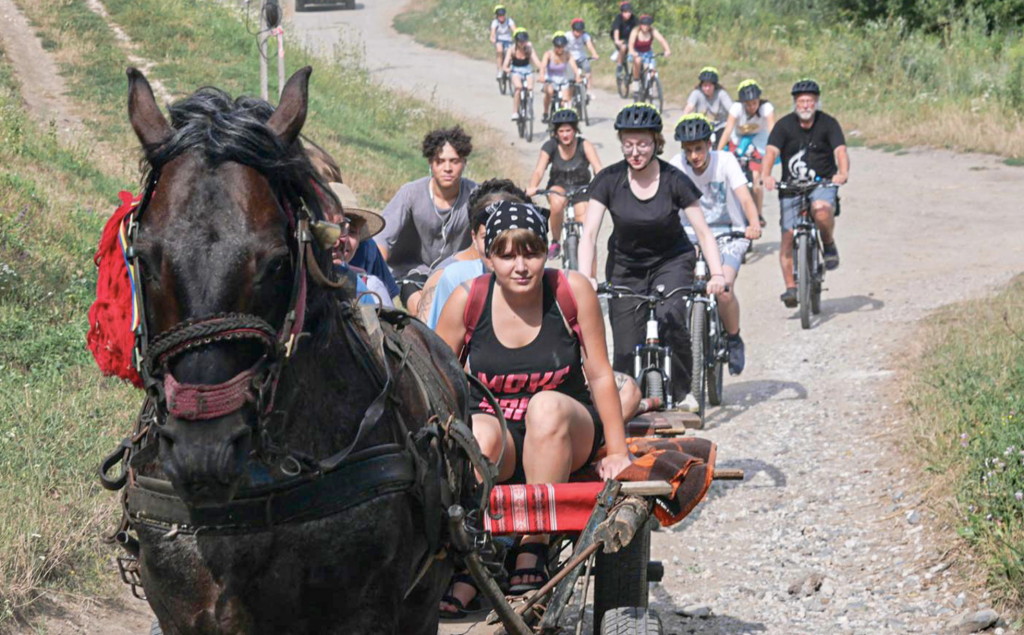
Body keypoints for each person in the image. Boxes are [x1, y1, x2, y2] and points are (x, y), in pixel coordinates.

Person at [436, 200, 631, 615]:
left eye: (531, 252)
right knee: (479, 434)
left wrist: (617, 450)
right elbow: (434, 377)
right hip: (499, 436)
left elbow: (599, 374)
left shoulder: (571, 292)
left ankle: (534, 544)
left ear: (547, 251)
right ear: (488, 257)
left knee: (543, 408)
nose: (520, 266)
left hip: (565, 428)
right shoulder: (467, 301)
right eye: (506, 254)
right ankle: (476, 555)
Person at [579, 103, 726, 413]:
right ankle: (625, 405)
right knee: (623, 344)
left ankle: (683, 391)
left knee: (672, 319)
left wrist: (717, 274)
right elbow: (589, 234)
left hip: (671, 261)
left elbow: (703, 232)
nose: (636, 152)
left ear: (656, 143)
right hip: (625, 267)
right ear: (621, 143)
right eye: (629, 144)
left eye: (643, 144)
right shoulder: (609, 180)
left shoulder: (674, 179)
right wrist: (585, 278)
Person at [669, 114, 761, 375]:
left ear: (709, 144)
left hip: (728, 234)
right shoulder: (676, 166)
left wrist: (752, 223)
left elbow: (744, 197)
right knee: (679, 291)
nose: (694, 155)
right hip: (689, 235)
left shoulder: (726, 161)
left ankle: (733, 338)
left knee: (724, 290)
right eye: (688, 150)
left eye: (698, 148)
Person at [761, 79, 849, 307]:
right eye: (802, 101)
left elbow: (840, 150)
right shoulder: (784, 126)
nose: (806, 105)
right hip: (791, 187)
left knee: (821, 211)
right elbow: (771, 152)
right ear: (795, 103)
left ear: (816, 102)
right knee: (788, 237)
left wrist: (843, 172)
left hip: (822, 183)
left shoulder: (828, 123)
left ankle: (828, 243)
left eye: (810, 101)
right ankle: (791, 287)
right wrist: (766, 174)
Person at [374, 126, 478, 314]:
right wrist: (372, 277)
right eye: (440, 161)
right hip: (413, 273)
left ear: (464, 162)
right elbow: (382, 238)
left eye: (454, 161)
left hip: (458, 275)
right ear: (430, 163)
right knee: (424, 311)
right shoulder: (411, 193)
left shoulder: (476, 195)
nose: (447, 168)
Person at [525, 108, 602, 267]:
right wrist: (532, 187)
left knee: (586, 228)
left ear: (575, 131)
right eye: (561, 131)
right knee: (557, 202)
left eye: (569, 130)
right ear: (556, 132)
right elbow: (539, 170)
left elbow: (598, 168)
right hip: (558, 186)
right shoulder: (550, 146)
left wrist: (602, 185)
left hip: (582, 188)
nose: (565, 134)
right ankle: (555, 241)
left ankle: (590, 277)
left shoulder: (584, 145)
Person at [327, 183, 394, 308]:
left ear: (359, 242)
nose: (342, 239)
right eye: (332, 227)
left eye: (351, 232)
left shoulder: (368, 288)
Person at [716, 79, 774, 222]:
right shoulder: (736, 108)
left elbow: (772, 128)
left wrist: (775, 148)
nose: (752, 107)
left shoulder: (766, 107)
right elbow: (728, 129)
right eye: (748, 104)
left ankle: (758, 214)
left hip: (759, 139)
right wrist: (718, 152)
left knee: (757, 181)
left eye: (754, 103)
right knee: (732, 174)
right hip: (739, 139)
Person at [539, 32, 581, 123]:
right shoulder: (548, 54)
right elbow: (543, 67)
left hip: (562, 79)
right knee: (549, 92)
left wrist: (577, 76)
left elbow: (574, 66)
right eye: (558, 47)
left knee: (565, 100)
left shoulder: (567, 54)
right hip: (550, 78)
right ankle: (546, 112)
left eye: (562, 46)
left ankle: (563, 120)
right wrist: (542, 76)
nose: (560, 49)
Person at [504, 28, 542, 122]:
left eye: (524, 41)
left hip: (527, 70)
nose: (522, 43)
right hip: (516, 71)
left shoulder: (529, 49)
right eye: (520, 42)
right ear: (516, 41)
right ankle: (515, 112)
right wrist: (507, 69)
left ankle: (529, 107)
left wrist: (541, 69)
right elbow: (505, 65)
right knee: (518, 87)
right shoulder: (512, 49)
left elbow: (536, 61)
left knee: (529, 88)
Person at [627, 14, 670, 91]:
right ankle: (636, 81)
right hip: (636, 52)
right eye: (644, 24)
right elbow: (630, 44)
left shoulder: (652, 31)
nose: (645, 26)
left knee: (652, 70)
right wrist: (632, 52)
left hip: (647, 53)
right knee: (638, 60)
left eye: (648, 24)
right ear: (640, 24)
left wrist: (667, 50)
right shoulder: (635, 31)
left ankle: (651, 87)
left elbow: (662, 40)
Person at [566, 18, 598, 93]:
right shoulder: (567, 36)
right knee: (571, 77)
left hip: (582, 58)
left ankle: (589, 91)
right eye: (577, 31)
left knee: (588, 71)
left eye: (580, 32)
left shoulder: (585, 36)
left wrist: (594, 53)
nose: (578, 34)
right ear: (572, 30)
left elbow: (589, 45)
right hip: (570, 59)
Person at [490, 5, 516, 80]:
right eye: (499, 15)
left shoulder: (509, 21)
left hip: (508, 40)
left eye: (502, 15)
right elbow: (492, 34)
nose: (501, 17)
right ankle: (500, 71)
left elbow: (515, 30)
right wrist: (493, 39)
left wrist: (517, 37)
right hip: (499, 40)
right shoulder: (495, 23)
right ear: (497, 16)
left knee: (512, 53)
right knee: (500, 51)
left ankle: (508, 68)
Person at [610, 2, 637, 68]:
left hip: (630, 39)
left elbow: (638, 28)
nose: (628, 14)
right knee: (623, 47)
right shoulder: (618, 18)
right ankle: (619, 67)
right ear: (622, 12)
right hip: (620, 38)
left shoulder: (634, 18)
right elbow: (616, 30)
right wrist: (617, 40)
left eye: (629, 11)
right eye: (625, 12)